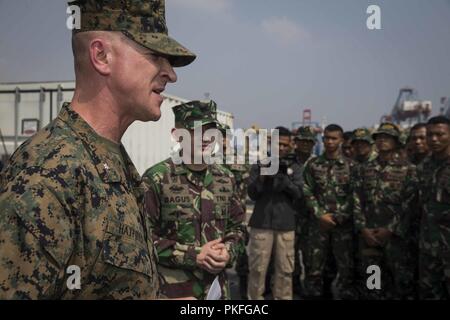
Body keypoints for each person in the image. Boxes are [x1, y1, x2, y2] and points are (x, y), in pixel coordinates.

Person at [0, 0, 196, 299]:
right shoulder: (47, 175)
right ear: (101, 56)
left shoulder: (110, 160)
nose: (170, 73)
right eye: (156, 55)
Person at [142, 100, 245, 300]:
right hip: (175, 293)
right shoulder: (157, 178)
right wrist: (193, 255)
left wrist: (228, 252)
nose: (206, 139)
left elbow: (238, 228)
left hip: (218, 291)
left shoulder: (226, 178)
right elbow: (142, 239)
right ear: (176, 134)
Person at [353, 123, 418, 299]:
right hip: (370, 237)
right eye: (379, 137)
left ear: (396, 142)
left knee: (400, 283)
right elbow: (357, 199)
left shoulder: (409, 170)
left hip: (396, 238)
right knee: (372, 282)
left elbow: (410, 204)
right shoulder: (364, 169)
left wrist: (391, 229)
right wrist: (363, 228)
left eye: (387, 137)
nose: (382, 140)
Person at [247, 126, 303, 300]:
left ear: (290, 145)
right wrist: (263, 177)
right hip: (261, 224)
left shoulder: (295, 166)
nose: (282, 148)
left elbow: (299, 194)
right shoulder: (260, 164)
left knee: (285, 271)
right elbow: (252, 194)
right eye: (279, 144)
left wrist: (284, 178)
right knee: (257, 270)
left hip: (285, 225)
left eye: (286, 145)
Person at [302, 124, 357, 300]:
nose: (330, 142)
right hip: (319, 225)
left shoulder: (351, 166)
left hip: (343, 227)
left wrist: (340, 216)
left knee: (346, 267)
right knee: (314, 267)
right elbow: (306, 190)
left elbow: (355, 194)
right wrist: (320, 214)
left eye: (334, 138)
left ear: (341, 140)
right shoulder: (313, 164)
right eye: (326, 138)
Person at [417, 116, 450, 299]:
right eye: (430, 135)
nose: (434, 139)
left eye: (440, 134)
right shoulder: (425, 167)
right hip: (428, 247)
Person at [218, 123, 251, 300]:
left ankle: (244, 294)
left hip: (237, 217)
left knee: (242, 258)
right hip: (214, 218)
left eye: (225, 137)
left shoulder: (240, 161)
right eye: (219, 136)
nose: (223, 140)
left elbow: (247, 187)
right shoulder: (208, 160)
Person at [292, 126, 317, 297]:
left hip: (312, 218)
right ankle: (295, 285)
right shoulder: (288, 162)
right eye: (303, 141)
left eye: (309, 141)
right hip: (291, 216)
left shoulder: (318, 163)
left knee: (311, 257)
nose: (306, 144)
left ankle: (310, 287)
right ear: (296, 142)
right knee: (290, 256)